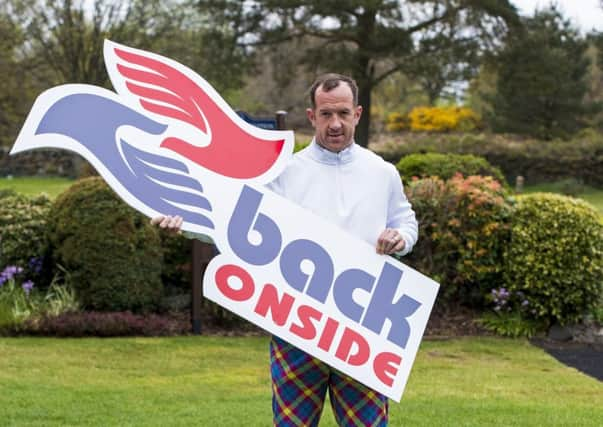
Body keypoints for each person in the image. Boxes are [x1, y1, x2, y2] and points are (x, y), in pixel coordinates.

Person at [153, 73, 418, 426]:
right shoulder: (285, 172)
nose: (335, 124)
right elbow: (240, 228)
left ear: (357, 113)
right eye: (326, 115)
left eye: (342, 113)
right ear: (311, 117)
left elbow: (406, 222)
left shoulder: (382, 172)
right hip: (297, 326)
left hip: (362, 331)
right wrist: (185, 224)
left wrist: (400, 238)